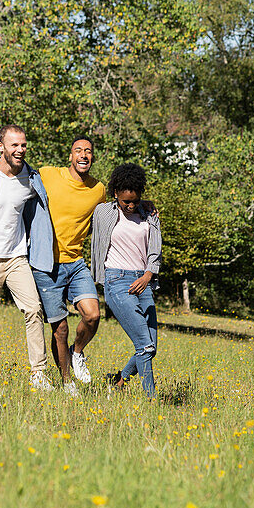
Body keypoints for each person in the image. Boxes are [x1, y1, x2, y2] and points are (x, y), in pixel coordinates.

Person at [0, 125, 54, 391]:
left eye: (23, 145)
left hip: (17, 258)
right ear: (0, 146)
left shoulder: (32, 177)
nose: (19, 150)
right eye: (13, 145)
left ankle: (38, 373)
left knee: (33, 310)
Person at [31, 136, 107, 394]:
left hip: (75, 263)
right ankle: (66, 381)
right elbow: (15, 170)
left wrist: (145, 207)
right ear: (71, 155)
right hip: (46, 264)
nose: (83, 155)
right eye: (78, 150)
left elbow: (119, 208)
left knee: (93, 314)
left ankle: (78, 353)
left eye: (88, 151)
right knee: (60, 328)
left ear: (92, 157)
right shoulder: (49, 174)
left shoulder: (98, 190)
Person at [91, 163, 162, 398]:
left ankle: (120, 380)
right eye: (125, 202)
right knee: (145, 344)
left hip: (144, 280)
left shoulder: (149, 214)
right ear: (116, 195)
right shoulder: (104, 212)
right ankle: (152, 399)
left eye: (135, 200)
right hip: (117, 280)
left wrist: (148, 275)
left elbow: (155, 250)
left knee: (151, 345)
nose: (131, 206)